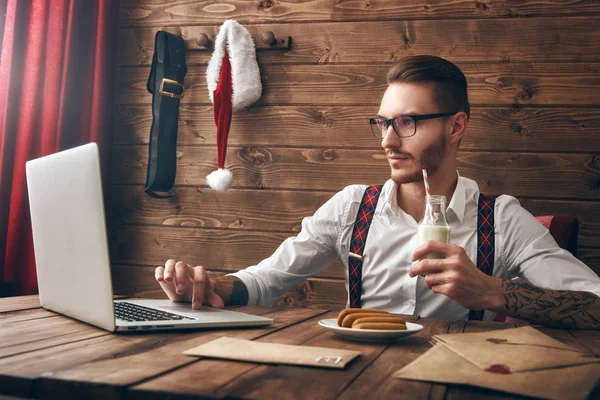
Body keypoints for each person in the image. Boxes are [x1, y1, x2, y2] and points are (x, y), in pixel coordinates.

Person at [155, 55, 600, 329]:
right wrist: (212, 288)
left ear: (456, 126)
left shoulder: (499, 219)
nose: (388, 141)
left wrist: (492, 293)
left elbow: (595, 307)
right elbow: (267, 280)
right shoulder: (353, 207)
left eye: (406, 123)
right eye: (383, 123)